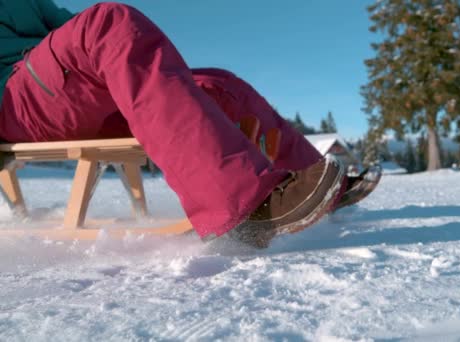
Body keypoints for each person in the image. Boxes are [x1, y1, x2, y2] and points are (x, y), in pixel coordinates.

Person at [0, 1, 380, 247]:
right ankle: (244, 205)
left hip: (68, 91)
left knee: (217, 83)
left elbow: (72, 33)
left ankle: (312, 181)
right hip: (16, 101)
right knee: (107, 21)